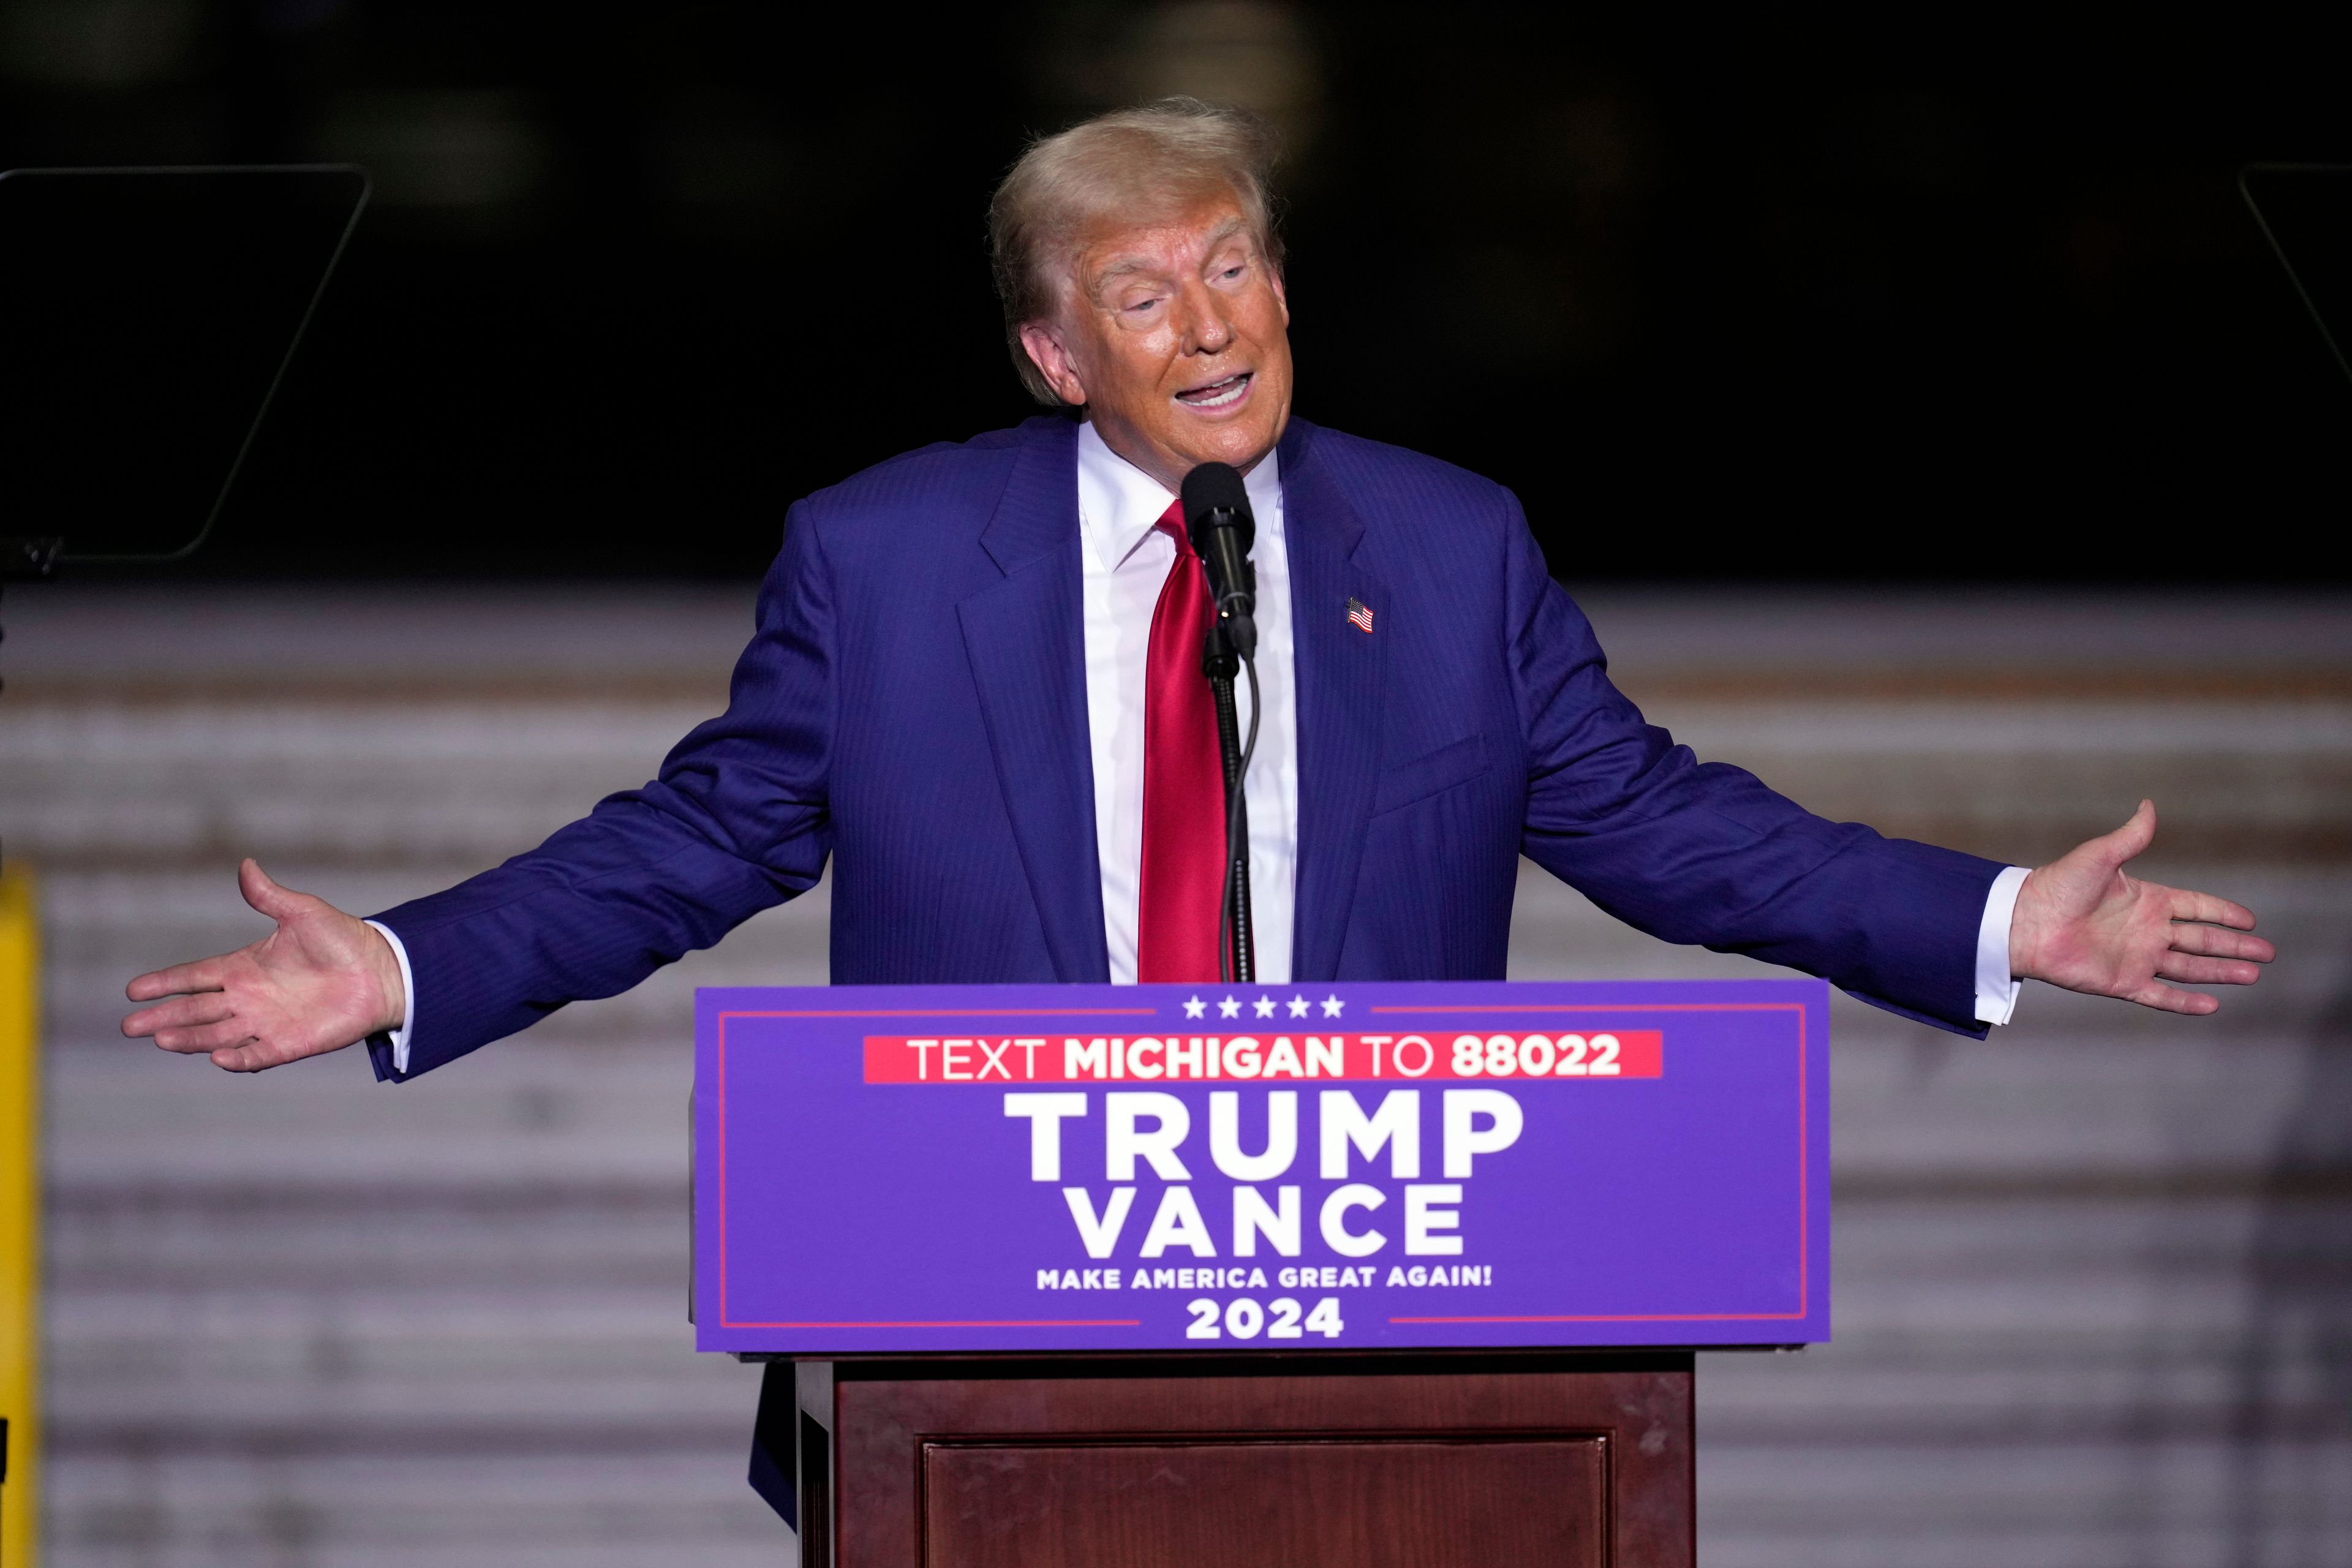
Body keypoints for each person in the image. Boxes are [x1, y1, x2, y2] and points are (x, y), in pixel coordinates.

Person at [120, 97, 2273, 1521]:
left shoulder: (1448, 548)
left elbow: (1659, 822)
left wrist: (1999, 924)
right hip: (984, 1330)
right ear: (1058, 359)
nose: (1210, 323)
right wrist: (404, 959)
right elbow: (695, 842)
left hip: (1389, 1331)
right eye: (1143, 295)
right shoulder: (886, 562)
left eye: (1234, 267)